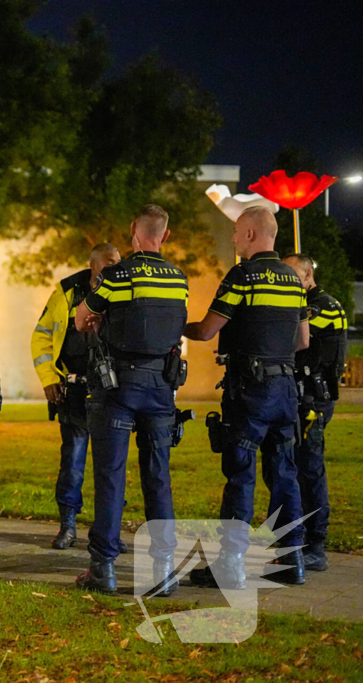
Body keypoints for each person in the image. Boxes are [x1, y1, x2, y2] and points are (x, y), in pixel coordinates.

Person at [185, 206, 310, 588]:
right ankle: (293, 561)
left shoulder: (242, 276)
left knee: (241, 474)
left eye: (238, 232)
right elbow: (303, 340)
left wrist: (174, 325)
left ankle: (231, 565)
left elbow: (208, 331)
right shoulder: (293, 280)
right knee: (284, 474)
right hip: (286, 390)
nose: (235, 239)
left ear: (253, 235)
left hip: (251, 392)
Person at [72, 204, 188, 595]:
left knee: (111, 476)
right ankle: (164, 572)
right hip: (160, 389)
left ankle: (103, 569)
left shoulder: (117, 274)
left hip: (118, 387)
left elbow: (81, 317)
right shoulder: (179, 278)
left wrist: (102, 319)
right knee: (158, 477)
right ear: (165, 236)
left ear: (133, 230)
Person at [31, 243, 121, 550]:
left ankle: (108, 533)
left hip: (111, 393)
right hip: (74, 391)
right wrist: (48, 379)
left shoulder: (123, 288)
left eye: (117, 261)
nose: (114, 267)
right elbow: (42, 334)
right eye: (109, 262)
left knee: (110, 466)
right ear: (93, 264)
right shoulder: (68, 291)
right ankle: (67, 526)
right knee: (72, 461)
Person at [281, 254, 346, 573]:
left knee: (309, 469)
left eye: (292, 274)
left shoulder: (325, 306)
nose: (287, 279)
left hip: (313, 402)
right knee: (292, 469)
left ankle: (315, 545)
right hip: (302, 399)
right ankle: (294, 539)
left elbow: (297, 337)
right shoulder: (309, 304)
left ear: (308, 274)